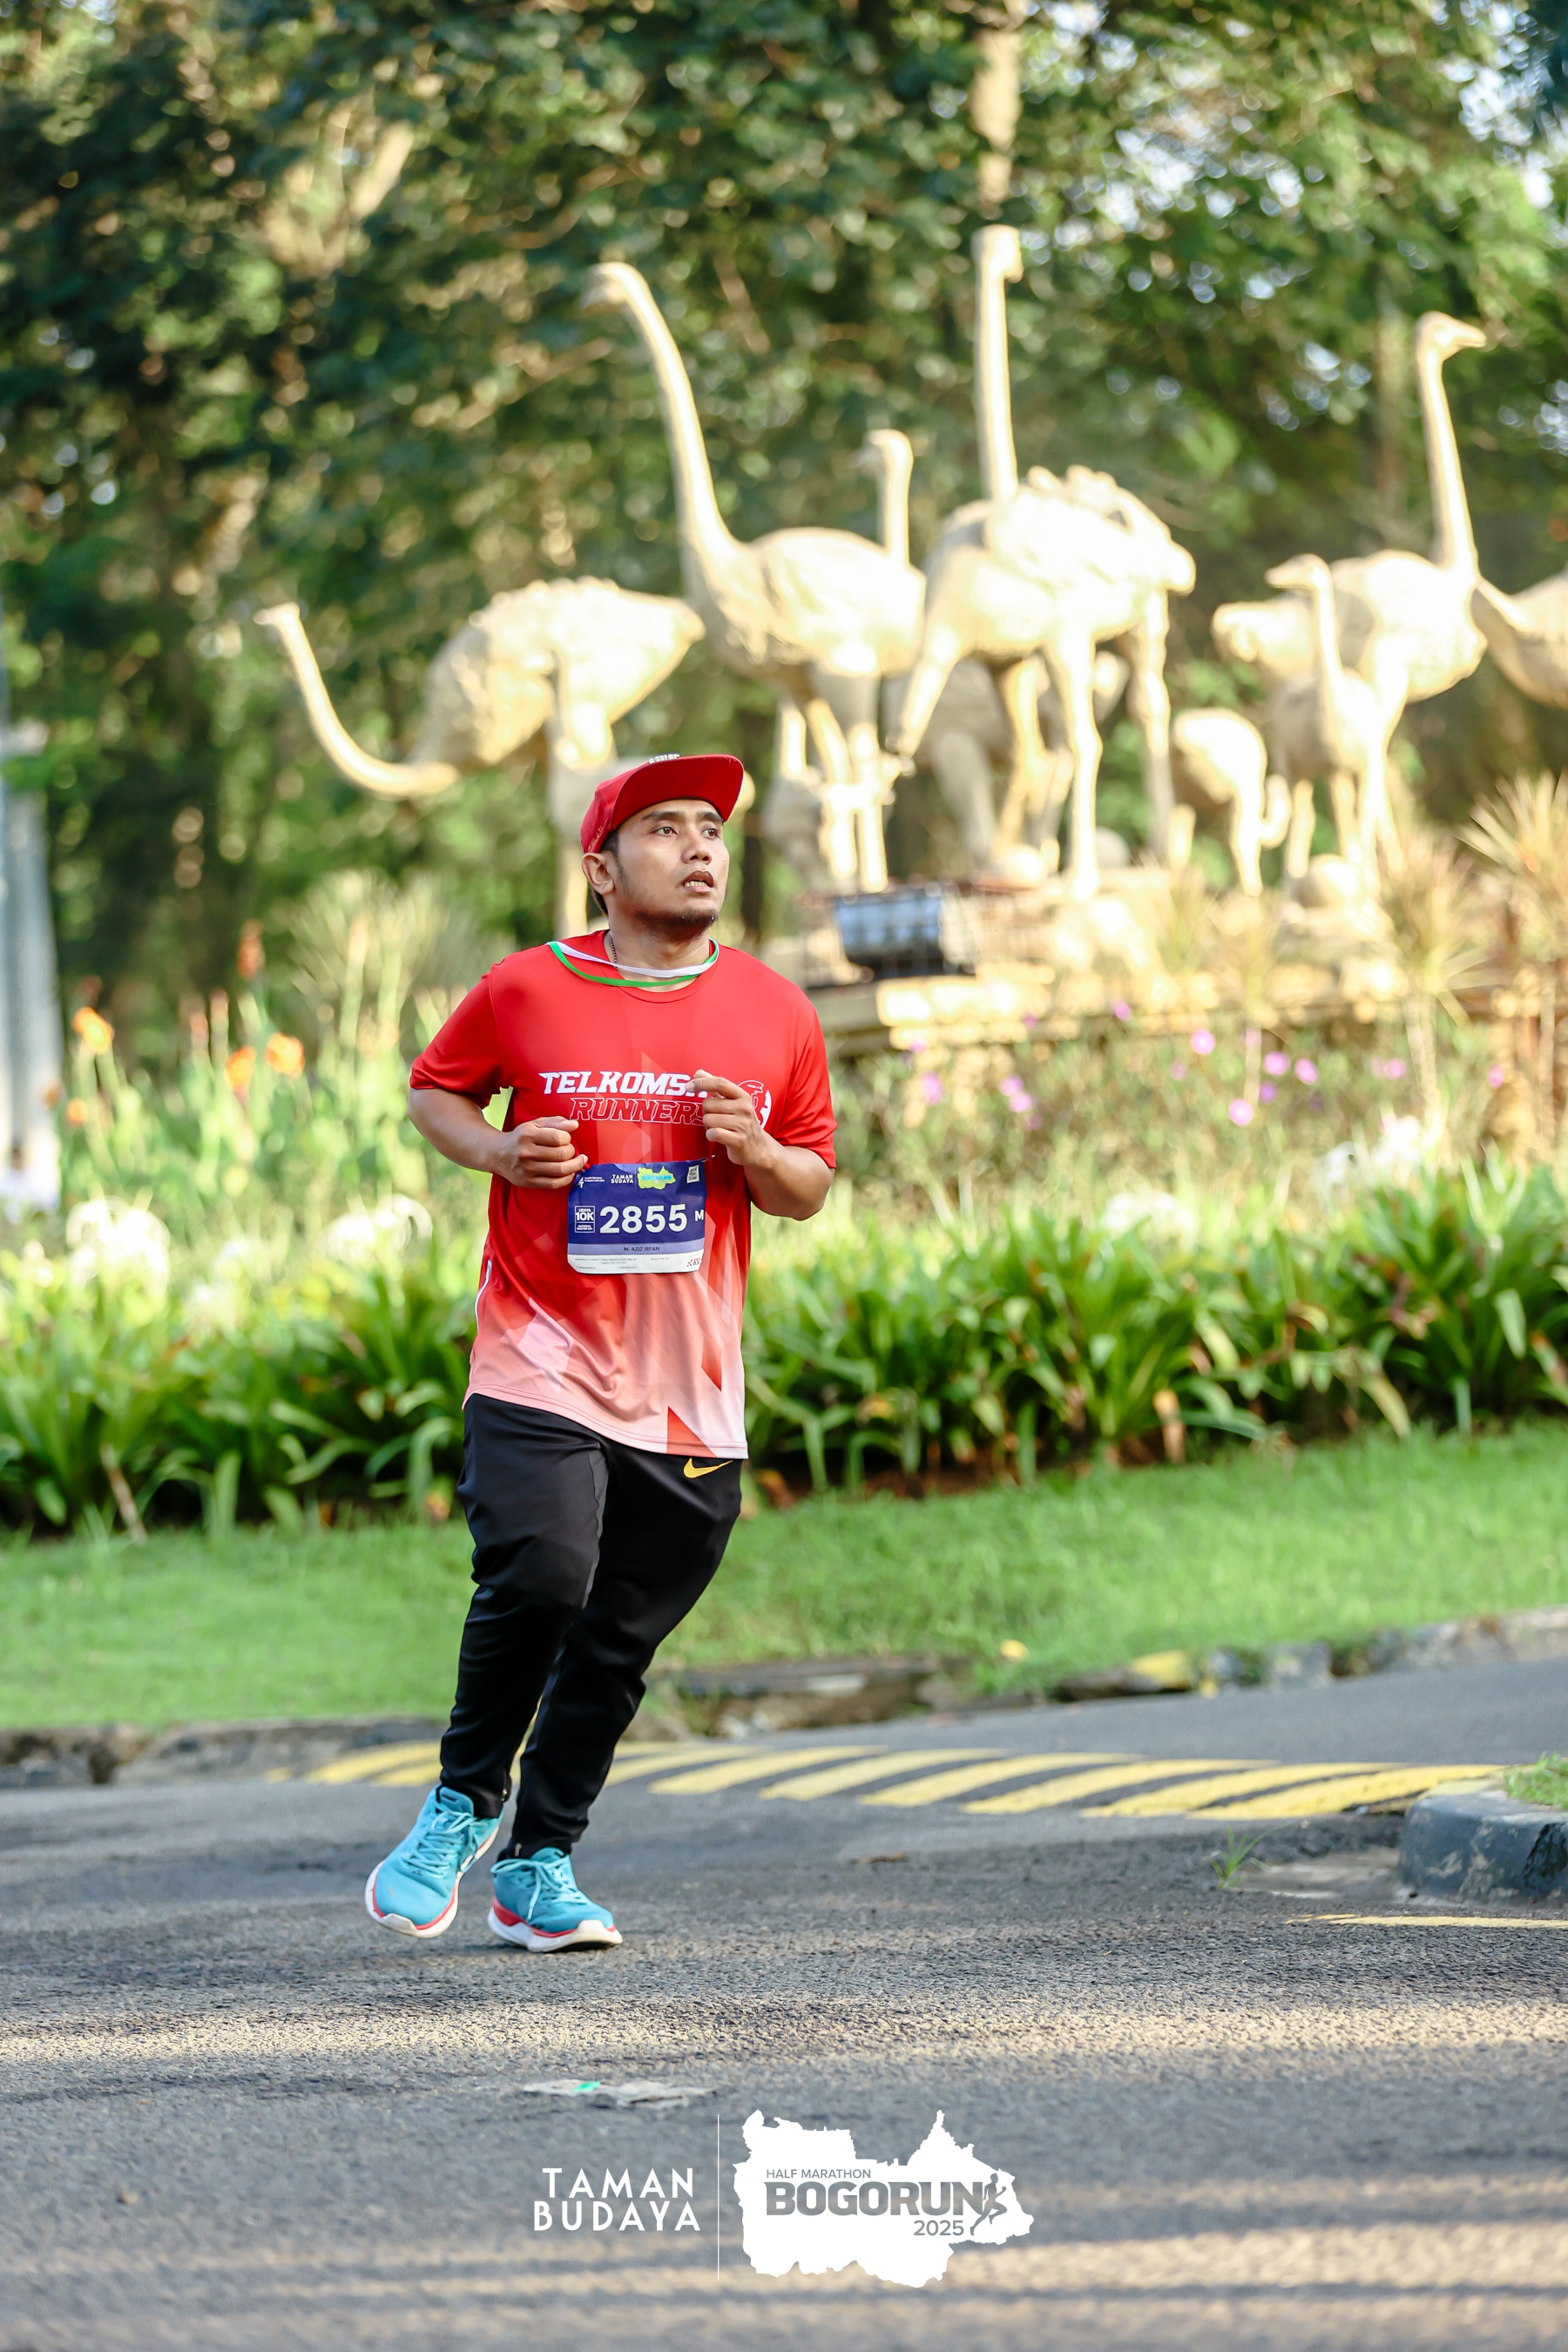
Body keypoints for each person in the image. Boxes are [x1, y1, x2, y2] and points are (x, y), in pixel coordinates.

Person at [365, 753, 835, 1949]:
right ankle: (461, 1804)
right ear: (602, 868)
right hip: (540, 1354)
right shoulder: (525, 987)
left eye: (711, 829)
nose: (700, 847)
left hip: (690, 1392)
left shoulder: (776, 1009)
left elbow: (810, 1183)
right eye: (664, 828)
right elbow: (434, 1092)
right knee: (541, 1570)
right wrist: (499, 1152)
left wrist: (757, 1153)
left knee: (620, 1635)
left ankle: (539, 1864)